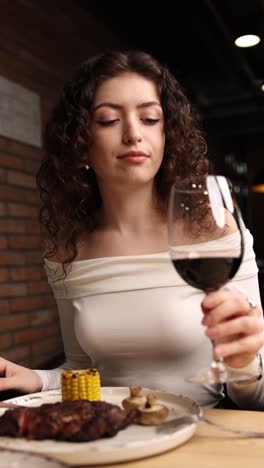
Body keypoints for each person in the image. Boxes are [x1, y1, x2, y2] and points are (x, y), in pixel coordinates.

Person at [0, 50, 264, 409]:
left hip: (203, 442)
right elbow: (82, 369)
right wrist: (35, 378)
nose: (133, 134)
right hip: (114, 442)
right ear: (81, 142)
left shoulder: (213, 229)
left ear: (167, 133)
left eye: (150, 118)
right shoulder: (66, 250)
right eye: (108, 120)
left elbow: (255, 393)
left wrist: (244, 364)